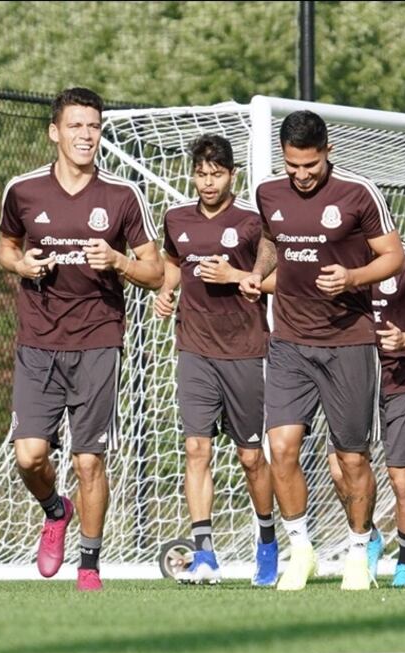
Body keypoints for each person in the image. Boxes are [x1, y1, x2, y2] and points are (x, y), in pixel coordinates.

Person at [0, 87, 163, 591]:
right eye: (75, 126)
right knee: (29, 456)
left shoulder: (121, 196)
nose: (86, 135)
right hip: (38, 340)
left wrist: (118, 262)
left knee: (88, 458)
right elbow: (6, 246)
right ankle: (55, 509)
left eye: (93, 126)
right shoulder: (23, 191)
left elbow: (155, 272)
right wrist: (21, 264)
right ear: (55, 132)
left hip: (98, 339)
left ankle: (89, 565)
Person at [239, 110, 404, 591]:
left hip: (348, 343)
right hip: (289, 340)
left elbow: (392, 256)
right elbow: (272, 242)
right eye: (293, 166)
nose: (301, 175)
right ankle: (302, 549)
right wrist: (258, 273)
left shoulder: (358, 194)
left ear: (328, 151)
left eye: (310, 165)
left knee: (351, 458)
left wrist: (353, 277)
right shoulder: (269, 193)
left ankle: (358, 549)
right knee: (281, 447)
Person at [153, 134, 278, 586]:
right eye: (201, 174)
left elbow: (280, 272)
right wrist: (167, 291)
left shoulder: (251, 222)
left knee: (249, 457)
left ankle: (267, 541)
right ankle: (204, 553)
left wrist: (241, 276)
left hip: (245, 352)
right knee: (195, 449)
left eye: (217, 174)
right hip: (194, 351)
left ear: (232, 175)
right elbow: (171, 261)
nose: (208, 183)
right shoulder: (176, 218)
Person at [324, 243, 405, 587]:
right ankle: (369, 537)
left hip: (402, 380)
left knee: (401, 478)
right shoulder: (339, 262)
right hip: (352, 381)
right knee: (339, 471)